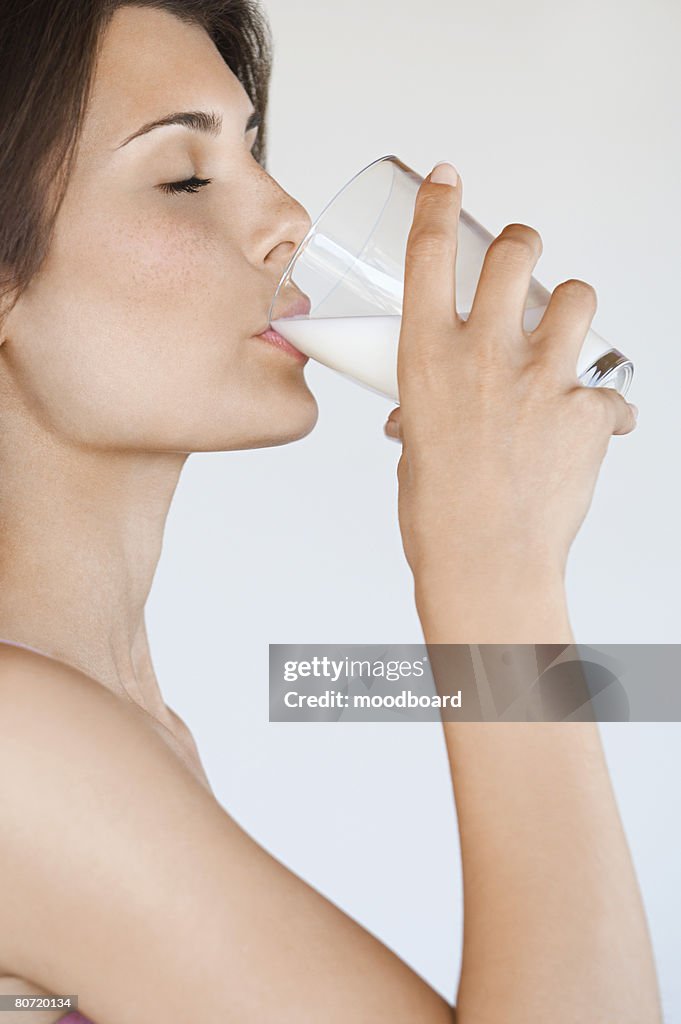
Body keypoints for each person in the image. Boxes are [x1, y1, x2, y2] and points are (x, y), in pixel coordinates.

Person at [0, 2, 661, 1022]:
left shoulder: (118, 721)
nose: (289, 221)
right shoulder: (22, 747)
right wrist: (496, 571)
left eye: (257, 151)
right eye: (185, 177)